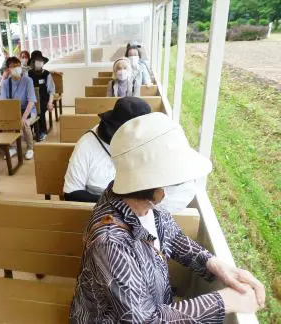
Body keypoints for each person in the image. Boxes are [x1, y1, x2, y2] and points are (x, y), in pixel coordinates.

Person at [69, 113, 265, 323]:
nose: (179, 184)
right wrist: (224, 301)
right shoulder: (110, 242)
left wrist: (216, 265)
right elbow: (145, 320)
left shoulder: (143, 203)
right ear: (154, 186)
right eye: (174, 179)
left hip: (155, 306)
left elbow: (172, 237)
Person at [63, 97, 196, 214]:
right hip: (100, 212)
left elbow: (183, 189)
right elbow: (71, 193)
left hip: (144, 212)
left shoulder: (152, 142)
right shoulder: (87, 144)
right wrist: (124, 205)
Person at [0, 56, 37, 160]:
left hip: (29, 110)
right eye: (12, 67)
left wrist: (24, 117)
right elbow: (3, 102)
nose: (16, 68)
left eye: (17, 66)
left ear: (21, 66)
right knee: (5, 123)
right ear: (8, 69)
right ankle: (12, 147)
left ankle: (30, 148)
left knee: (25, 124)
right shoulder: (6, 83)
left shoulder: (28, 80)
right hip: (14, 111)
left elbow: (31, 101)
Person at [28, 50, 55, 142]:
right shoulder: (28, 74)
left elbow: (51, 91)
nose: (39, 62)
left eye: (41, 60)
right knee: (27, 111)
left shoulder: (47, 74)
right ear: (33, 62)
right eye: (37, 60)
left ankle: (42, 131)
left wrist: (50, 102)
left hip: (44, 99)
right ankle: (29, 132)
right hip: (31, 99)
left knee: (40, 110)